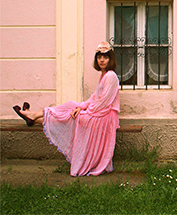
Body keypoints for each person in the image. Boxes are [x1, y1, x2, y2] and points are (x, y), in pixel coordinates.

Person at [12, 42, 120, 176]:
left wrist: (85, 110)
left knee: (71, 116)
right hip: (97, 112)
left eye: (105, 57)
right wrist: (81, 106)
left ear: (111, 59)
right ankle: (33, 116)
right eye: (99, 57)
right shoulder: (103, 75)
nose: (102, 60)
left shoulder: (111, 76)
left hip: (103, 116)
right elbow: (94, 97)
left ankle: (33, 117)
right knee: (70, 106)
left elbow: (103, 103)